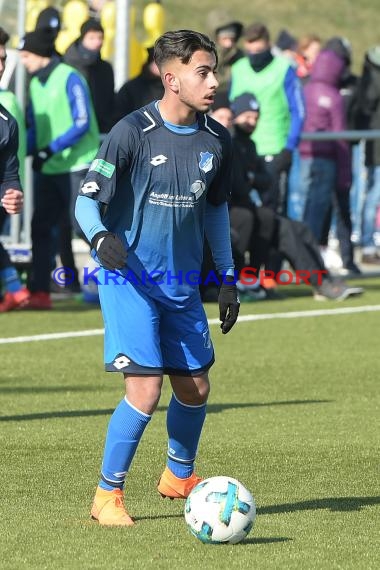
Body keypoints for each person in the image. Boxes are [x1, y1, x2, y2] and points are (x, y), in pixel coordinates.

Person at [75, 29, 239, 526]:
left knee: (194, 388)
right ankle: (107, 495)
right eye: (202, 72)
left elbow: (215, 211)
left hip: (182, 284)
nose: (213, 82)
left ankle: (177, 476)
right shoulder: (131, 131)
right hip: (130, 281)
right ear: (171, 78)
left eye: (214, 71)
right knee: (145, 390)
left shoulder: (217, 140)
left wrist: (228, 276)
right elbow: (87, 200)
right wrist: (102, 239)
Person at [210, 92, 363, 301]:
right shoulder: (226, 142)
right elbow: (240, 187)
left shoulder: (247, 145)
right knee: (268, 220)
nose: (251, 122)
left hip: (245, 210)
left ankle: (324, 280)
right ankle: (252, 282)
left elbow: (264, 180)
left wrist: (251, 178)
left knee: (299, 229)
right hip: (229, 213)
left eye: (255, 117)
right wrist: (251, 179)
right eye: (246, 116)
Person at [18, 27, 100, 309]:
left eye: (26, 55)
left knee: (83, 226)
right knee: (41, 227)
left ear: (40, 54)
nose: (23, 61)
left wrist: (48, 149)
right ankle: (40, 292)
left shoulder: (70, 77)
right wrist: (19, 151)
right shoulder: (34, 83)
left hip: (77, 164)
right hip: (49, 167)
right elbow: (34, 128)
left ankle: (122, 279)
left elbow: (81, 121)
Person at [299, 49, 352, 246]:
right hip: (326, 159)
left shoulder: (305, 90)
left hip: (303, 156)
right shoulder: (334, 97)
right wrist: (345, 171)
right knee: (318, 208)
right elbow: (340, 136)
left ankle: (298, 250)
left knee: (303, 204)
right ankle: (310, 252)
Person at [0, 26, 29, 312]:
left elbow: (8, 174)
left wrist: (13, 193)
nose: (0, 67)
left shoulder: (6, 122)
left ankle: (13, 288)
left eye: (3, 59)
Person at [64, 17, 115, 135]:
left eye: (100, 38)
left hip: (100, 132)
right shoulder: (67, 65)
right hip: (71, 131)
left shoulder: (105, 68)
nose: (97, 42)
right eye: (91, 38)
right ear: (82, 39)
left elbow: (109, 102)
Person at [354, 45, 380, 264]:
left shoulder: (368, 76)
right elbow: (369, 103)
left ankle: (368, 243)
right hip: (375, 145)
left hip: (374, 144)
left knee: (372, 195)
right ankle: (368, 244)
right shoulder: (372, 79)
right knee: (373, 195)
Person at [113, 46, 164, 123]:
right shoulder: (131, 87)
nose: (162, 67)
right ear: (149, 64)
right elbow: (119, 115)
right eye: (157, 63)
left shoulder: (171, 87)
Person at [213, 21, 244, 91]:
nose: (229, 44)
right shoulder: (208, 55)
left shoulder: (240, 55)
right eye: (225, 39)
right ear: (217, 38)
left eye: (232, 39)